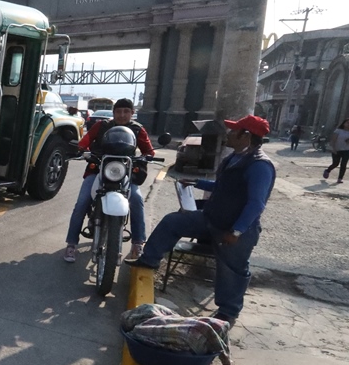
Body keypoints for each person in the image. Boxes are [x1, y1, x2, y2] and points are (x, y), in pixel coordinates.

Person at [125, 115, 276, 325]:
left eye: (234, 131)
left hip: (235, 230)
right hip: (211, 219)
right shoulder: (234, 158)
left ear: (247, 136)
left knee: (232, 271)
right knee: (172, 222)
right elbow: (223, 187)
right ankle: (149, 260)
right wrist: (196, 183)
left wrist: (236, 231)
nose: (229, 134)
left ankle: (228, 312)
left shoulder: (259, 166)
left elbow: (256, 204)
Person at [63, 97, 154, 263]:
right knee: (82, 202)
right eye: (118, 111)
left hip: (125, 173)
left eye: (126, 111)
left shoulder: (138, 130)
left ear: (132, 113)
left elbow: (149, 151)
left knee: (137, 200)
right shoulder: (102, 126)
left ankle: (138, 243)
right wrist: (83, 150)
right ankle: (71, 244)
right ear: (113, 113)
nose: (122, 115)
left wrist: (146, 157)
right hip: (98, 169)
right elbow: (85, 141)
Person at [322, 118, 349, 184]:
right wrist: (333, 149)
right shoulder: (338, 131)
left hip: (346, 150)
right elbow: (333, 140)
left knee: (343, 164)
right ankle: (327, 170)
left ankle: (340, 178)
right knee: (335, 163)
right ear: (344, 123)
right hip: (337, 149)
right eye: (347, 123)